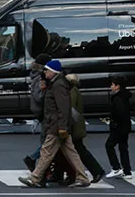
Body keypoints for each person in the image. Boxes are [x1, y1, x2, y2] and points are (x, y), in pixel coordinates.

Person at [18, 60, 90, 188]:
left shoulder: (58, 85)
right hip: (58, 125)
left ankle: (35, 178)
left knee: (46, 151)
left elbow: (63, 108)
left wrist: (62, 127)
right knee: (71, 152)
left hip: (56, 125)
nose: (45, 72)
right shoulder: (56, 84)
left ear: (53, 71)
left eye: (47, 70)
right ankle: (83, 177)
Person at [66, 74, 104, 183]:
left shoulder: (72, 91)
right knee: (77, 150)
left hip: (74, 126)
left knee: (79, 151)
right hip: (77, 124)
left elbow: (71, 108)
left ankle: (97, 171)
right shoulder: (75, 90)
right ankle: (94, 171)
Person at [23, 53, 52, 171]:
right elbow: (38, 96)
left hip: (43, 112)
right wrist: (48, 92)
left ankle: (45, 168)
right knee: (50, 142)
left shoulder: (38, 75)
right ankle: (33, 159)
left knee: (49, 141)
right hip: (44, 112)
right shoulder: (40, 78)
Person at [104, 75, 132, 179]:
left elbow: (120, 112)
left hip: (118, 126)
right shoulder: (125, 96)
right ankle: (127, 170)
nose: (111, 86)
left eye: (112, 84)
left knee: (109, 145)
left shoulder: (117, 98)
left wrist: (113, 121)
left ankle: (116, 168)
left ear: (117, 86)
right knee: (123, 147)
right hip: (125, 126)